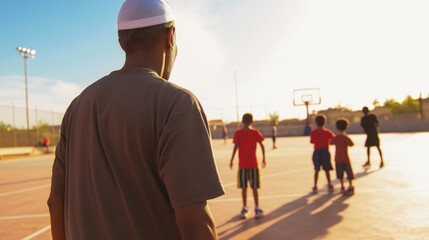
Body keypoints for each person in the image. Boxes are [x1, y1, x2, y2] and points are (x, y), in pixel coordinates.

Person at [47, 1, 225, 239]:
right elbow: (195, 223)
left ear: (121, 42)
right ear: (171, 36)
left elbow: (55, 203)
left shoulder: (77, 106)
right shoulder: (177, 104)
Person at [230, 113, 266, 219]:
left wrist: (231, 160)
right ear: (252, 122)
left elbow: (235, 147)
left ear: (242, 121)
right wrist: (264, 158)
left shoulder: (238, 133)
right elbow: (262, 145)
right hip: (253, 165)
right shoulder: (255, 132)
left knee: (244, 188)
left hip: (242, 166)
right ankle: (257, 207)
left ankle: (245, 207)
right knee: (254, 188)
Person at [310, 114, 335, 193]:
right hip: (325, 151)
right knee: (327, 169)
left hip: (317, 151)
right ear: (324, 122)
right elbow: (333, 139)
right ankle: (329, 183)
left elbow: (312, 141)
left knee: (316, 169)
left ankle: (315, 185)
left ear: (316, 122)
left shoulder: (313, 132)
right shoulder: (327, 132)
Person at [330, 118, 355, 195]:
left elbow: (331, 143)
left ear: (336, 127)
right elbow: (351, 144)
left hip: (338, 159)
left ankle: (342, 186)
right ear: (346, 127)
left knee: (340, 174)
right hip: (346, 159)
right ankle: (350, 186)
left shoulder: (336, 137)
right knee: (349, 173)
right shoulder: (345, 137)